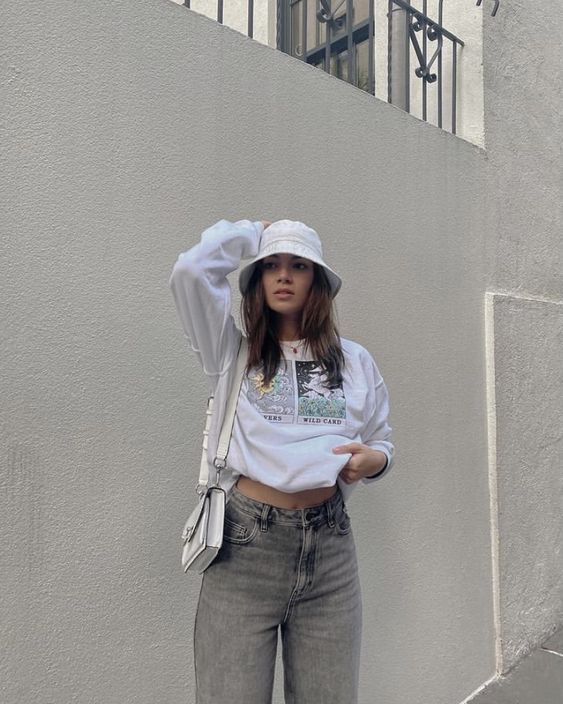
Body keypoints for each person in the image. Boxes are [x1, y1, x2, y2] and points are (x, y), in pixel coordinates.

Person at [168, 218, 395, 704]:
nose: (284, 275)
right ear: (256, 280)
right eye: (270, 265)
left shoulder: (355, 361)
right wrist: (252, 231)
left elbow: (380, 439)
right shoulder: (231, 353)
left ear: (318, 280)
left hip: (331, 552)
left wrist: (375, 461)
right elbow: (190, 272)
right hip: (244, 549)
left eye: (298, 265)